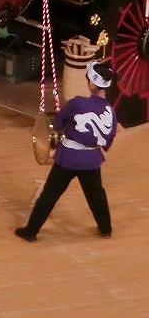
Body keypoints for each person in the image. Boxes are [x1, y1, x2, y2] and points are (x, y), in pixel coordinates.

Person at [15, 61, 118, 242]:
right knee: (96, 195)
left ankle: (31, 232)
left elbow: (56, 124)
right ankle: (106, 229)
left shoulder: (77, 103)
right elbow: (107, 140)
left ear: (91, 83)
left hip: (68, 158)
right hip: (92, 160)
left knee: (49, 195)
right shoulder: (111, 112)